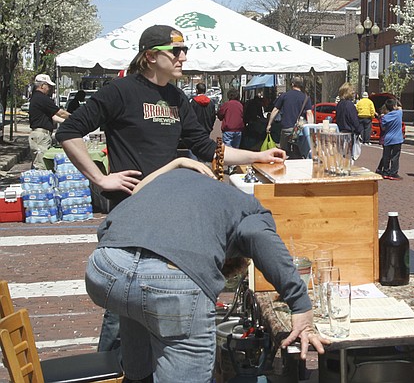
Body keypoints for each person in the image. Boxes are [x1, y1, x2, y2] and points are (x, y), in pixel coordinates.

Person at [56, 24, 287, 351]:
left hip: (166, 212)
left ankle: (144, 366)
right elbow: (69, 132)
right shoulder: (120, 91)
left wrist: (258, 154)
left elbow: (206, 148)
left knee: (155, 292)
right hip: (129, 212)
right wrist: (101, 178)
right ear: (150, 56)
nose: (183, 57)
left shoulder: (176, 97)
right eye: (175, 51)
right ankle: (110, 368)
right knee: (121, 304)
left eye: (185, 51)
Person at [84, 160, 327, 382]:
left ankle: (139, 374)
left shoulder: (166, 180)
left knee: (139, 320)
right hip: (172, 284)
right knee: (160, 306)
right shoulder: (245, 205)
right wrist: (300, 305)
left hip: (105, 268)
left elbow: (107, 226)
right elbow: (258, 236)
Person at [28, 73, 70, 169]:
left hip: (42, 135)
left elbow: (54, 117)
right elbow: (60, 113)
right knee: (41, 165)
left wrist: (68, 122)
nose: (50, 89)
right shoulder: (42, 98)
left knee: (42, 162)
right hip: (41, 136)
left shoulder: (37, 98)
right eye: (48, 86)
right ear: (42, 85)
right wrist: (75, 117)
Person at [266, 76, 313, 152]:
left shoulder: (284, 96)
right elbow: (309, 114)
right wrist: (311, 128)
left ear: (292, 84)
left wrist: (269, 124)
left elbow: (275, 110)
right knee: (299, 151)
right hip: (299, 129)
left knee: (284, 151)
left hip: (286, 128)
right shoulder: (306, 98)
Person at [379, 98, 404, 180]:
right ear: (394, 106)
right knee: (395, 156)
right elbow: (400, 107)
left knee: (386, 156)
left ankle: (385, 171)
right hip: (397, 138)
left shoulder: (385, 117)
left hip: (388, 138)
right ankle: (393, 172)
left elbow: (383, 128)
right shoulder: (399, 113)